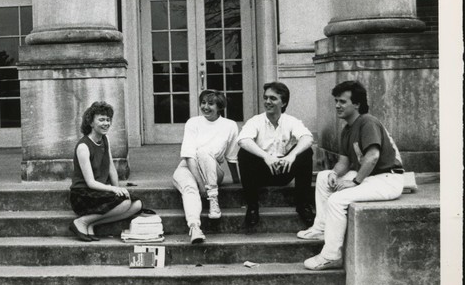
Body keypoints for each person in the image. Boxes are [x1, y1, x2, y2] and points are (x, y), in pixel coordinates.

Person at [298, 80, 405, 270]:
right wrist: (334, 173)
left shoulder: (367, 122)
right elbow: (344, 162)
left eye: (342, 102)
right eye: (336, 101)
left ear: (356, 104)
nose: (337, 105)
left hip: (387, 178)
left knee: (337, 200)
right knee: (324, 177)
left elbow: (373, 157)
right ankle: (321, 228)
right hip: (370, 176)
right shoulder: (347, 129)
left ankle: (332, 256)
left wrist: (355, 182)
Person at [237, 82, 315, 230]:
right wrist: (266, 157)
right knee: (244, 153)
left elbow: (308, 138)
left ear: (283, 102)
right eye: (265, 98)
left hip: (285, 170)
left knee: (306, 152)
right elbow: (243, 140)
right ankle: (252, 206)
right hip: (261, 173)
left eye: (273, 98)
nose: (267, 102)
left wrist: (291, 156)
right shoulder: (256, 121)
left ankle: (303, 205)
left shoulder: (292, 121)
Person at [172, 90, 240, 244]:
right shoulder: (193, 122)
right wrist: (201, 185)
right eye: (203, 103)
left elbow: (231, 156)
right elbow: (189, 155)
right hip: (188, 167)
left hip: (214, 171)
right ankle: (195, 228)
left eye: (210, 103)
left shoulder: (230, 125)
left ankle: (213, 198)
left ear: (219, 106)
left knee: (203, 152)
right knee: (190, 188)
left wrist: (236, 180)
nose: (205, 107)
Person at [69, 101, 143, 241]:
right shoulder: (83, 147)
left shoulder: (104, 139)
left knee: (136, 204)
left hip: (99, 191)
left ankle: (90, 223)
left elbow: (110, 168)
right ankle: (81, 222)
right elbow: (90, 182)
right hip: (83, 195)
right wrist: (113, 190)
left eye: (108, 120)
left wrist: (118, 189)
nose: (106, 123)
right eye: (101, 119)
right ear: (91, 122)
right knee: (125, 203)